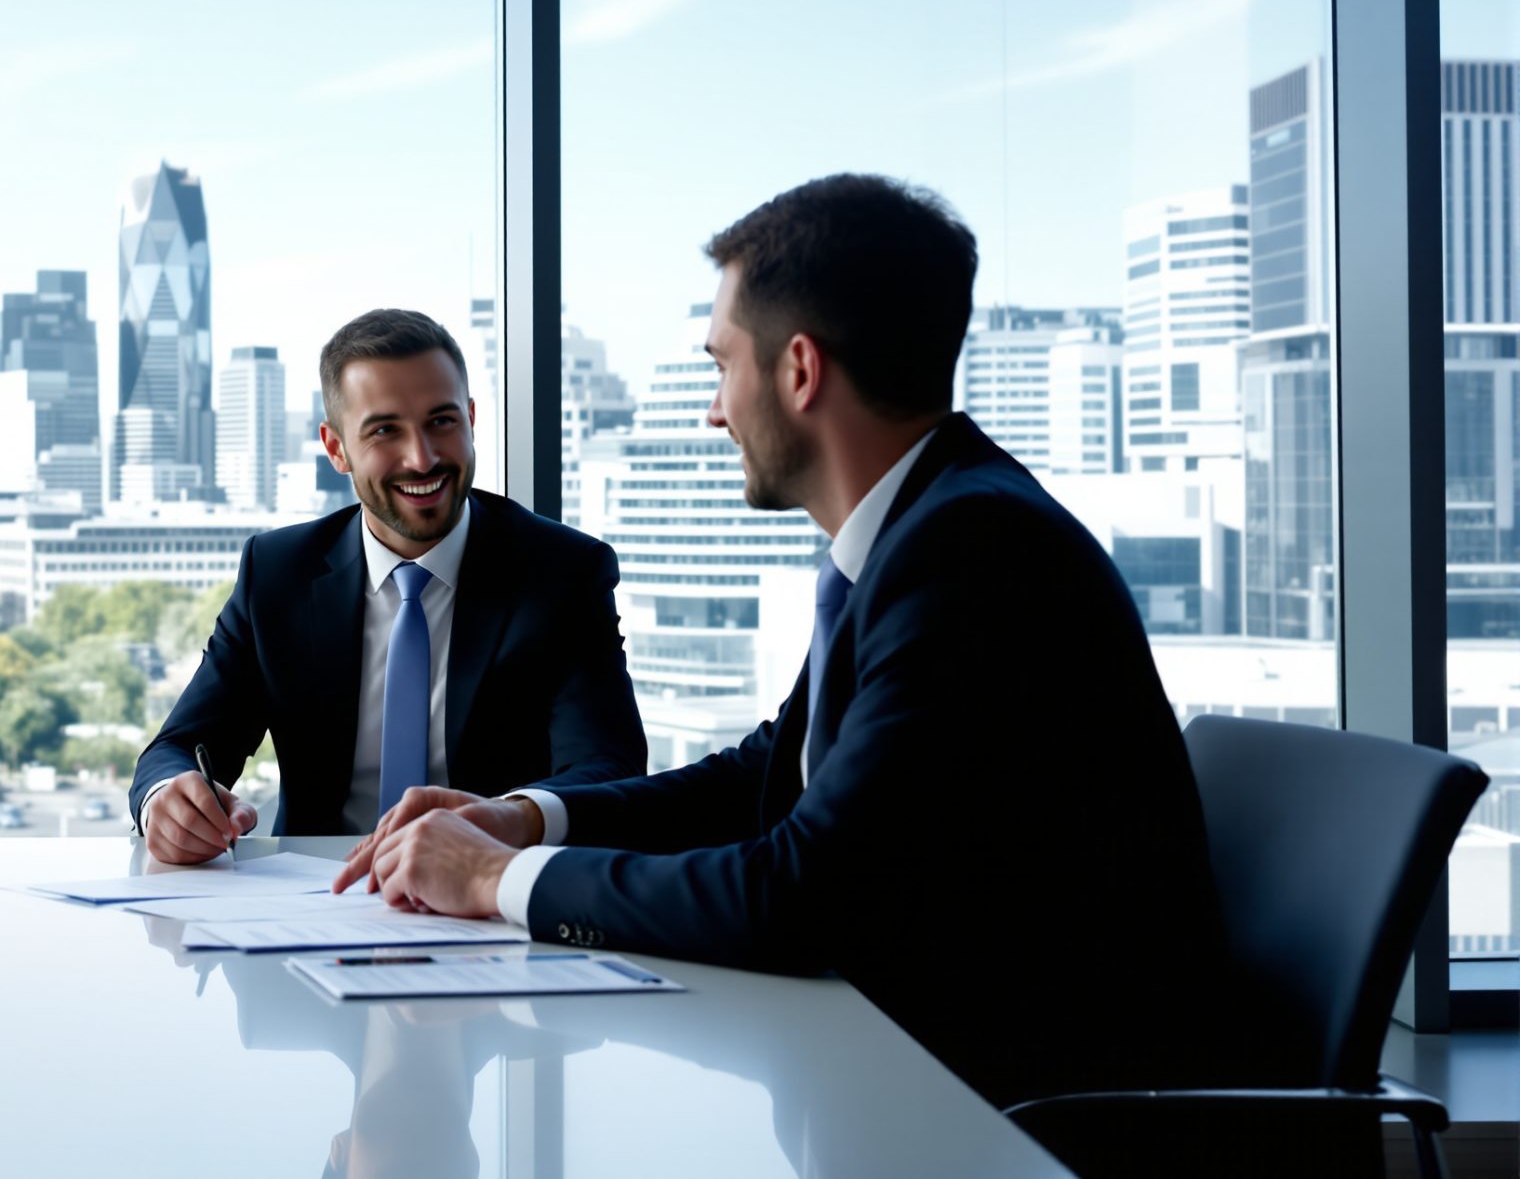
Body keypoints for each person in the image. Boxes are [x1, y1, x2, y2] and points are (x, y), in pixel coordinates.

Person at [332, 175, 1230, 1110]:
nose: (714, 411)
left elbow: (807, 897)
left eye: (722, 365)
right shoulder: (924, 529)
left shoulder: (969, 554)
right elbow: (767, 775)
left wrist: (496, 877)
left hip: (1017, 1108)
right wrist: (526, 818)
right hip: (915, 1058)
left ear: (798, 371)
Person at [131, 308, 647, 863]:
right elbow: (180, 748)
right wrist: (169, 799)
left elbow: (606, 767)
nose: (421, 457)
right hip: (311, 903)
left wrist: (513, 818)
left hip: (491, 891)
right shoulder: (279, 572)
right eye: (385, 431)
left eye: (442, 422)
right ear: (336, 449)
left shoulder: (563, 572)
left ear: (472, 419)